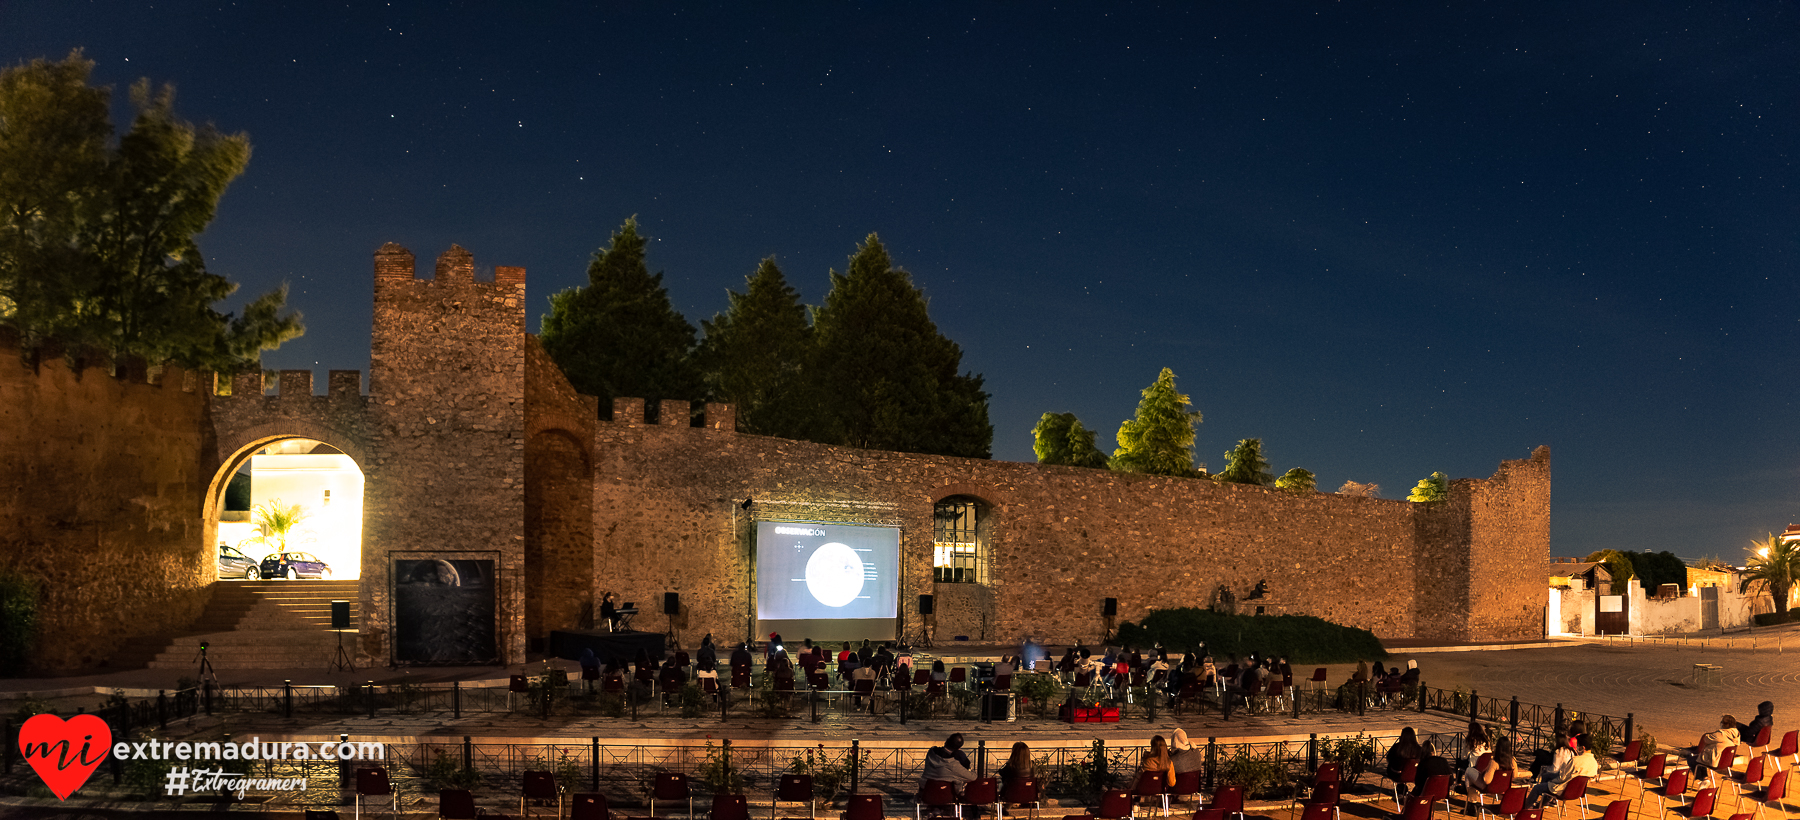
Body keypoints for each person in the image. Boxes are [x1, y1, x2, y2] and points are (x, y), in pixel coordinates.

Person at [1529, 734, 1596, 808]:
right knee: (1547, 777)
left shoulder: (1575, 761)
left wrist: (1552, 781)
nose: (1576, 748)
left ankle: (1525, 810)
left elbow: (1562, 778)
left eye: (1578, 746)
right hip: (1578, 791)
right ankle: (1540, 805)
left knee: (1537, 788)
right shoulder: (1594, 762)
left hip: (1563, 789)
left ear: (1583, 748)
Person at [1465, 735, 1514, 809]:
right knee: (1471, 779)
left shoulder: (1494, 762)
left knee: (1469, 771)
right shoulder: (1512, 762)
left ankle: (1471, 803)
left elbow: (1487, 780)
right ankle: (1471, 801)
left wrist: (1485, 772)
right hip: (1504, 787)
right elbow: (1515, 776)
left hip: (1489, 787)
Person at [1689, 715, 1741, 782]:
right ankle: (1704, 779)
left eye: (1722, 722)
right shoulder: (1737, 734)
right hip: (1726, 762)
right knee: (1701, 758)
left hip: (1715, 762)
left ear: (1726, 724)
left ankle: (1703, 779)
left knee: (1692, 759)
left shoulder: (1721, 734)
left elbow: (1706, 738)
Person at [1388, 727, 1422, 801]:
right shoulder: (1419, 749)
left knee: (1394, 768)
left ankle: (1400, 788)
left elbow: (1389, 758)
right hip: (1415, 776)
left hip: (1398, 775)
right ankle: (1402, 788)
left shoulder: (1397, 747)